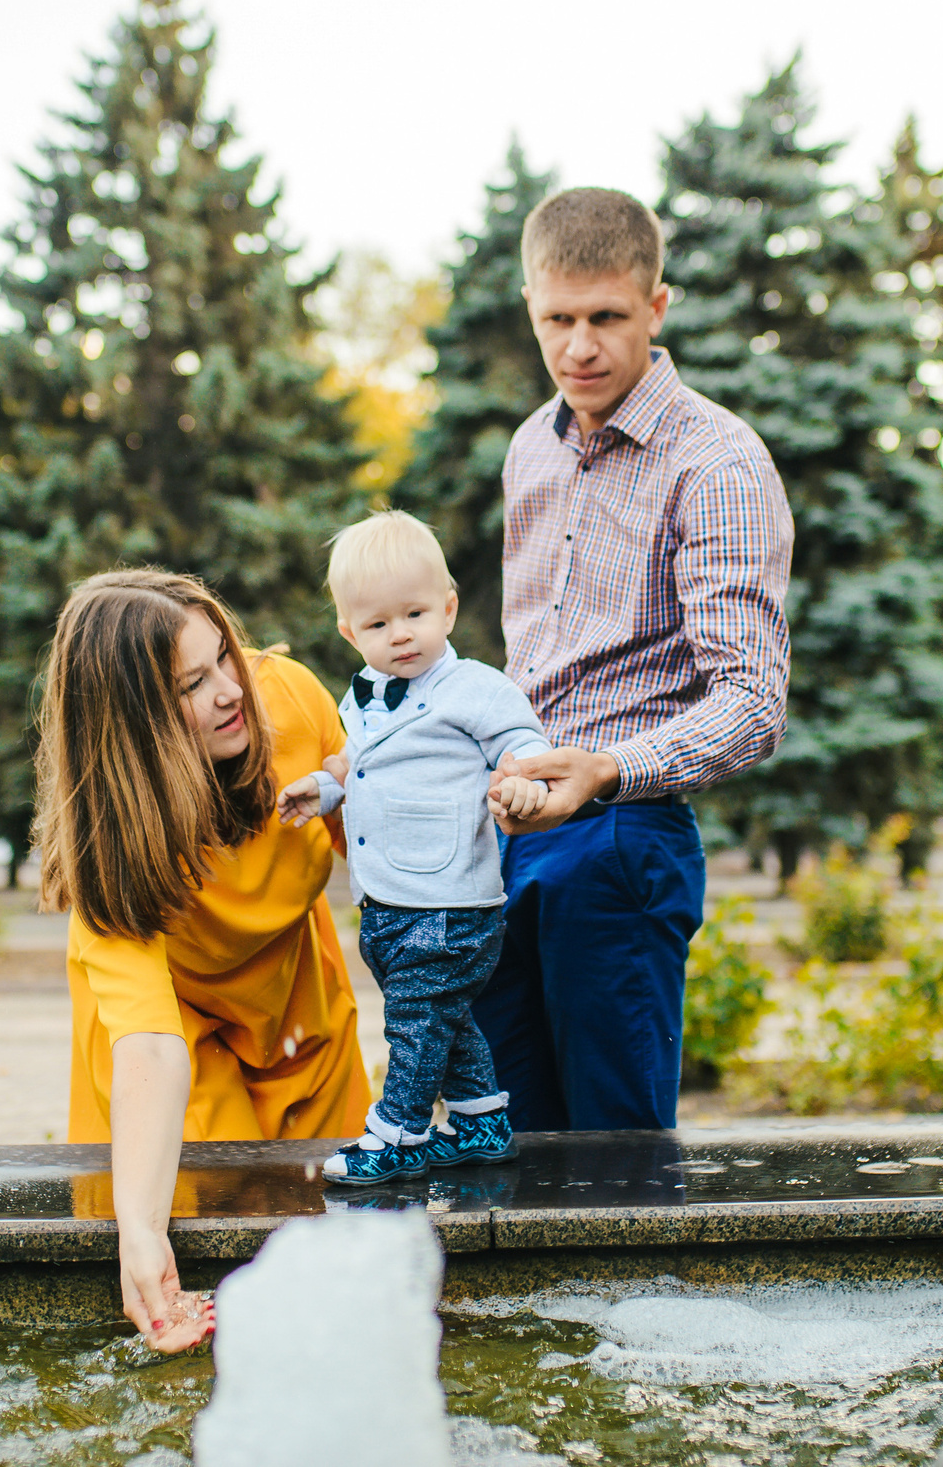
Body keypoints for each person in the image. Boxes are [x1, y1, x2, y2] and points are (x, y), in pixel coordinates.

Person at [479, 186, 794, 1132]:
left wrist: (614, 768)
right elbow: (527, 654)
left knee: (616, 1170)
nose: (580, 347)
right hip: (504, 839)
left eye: (607, 318)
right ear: (530, 305)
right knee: (501, 1145)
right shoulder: (530, 448)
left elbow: (753, 698)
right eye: (557, 319)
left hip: (621, 839)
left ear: (655, 308)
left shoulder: (717, 461)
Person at [39, 569, 372, 1353]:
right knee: (209, 1254)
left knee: (348, 1251)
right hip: (176, 1050)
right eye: (194, 682)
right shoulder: (110, 855)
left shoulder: (286, 695)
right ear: (133, 725)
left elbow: (382, 848)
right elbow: (149, 1042)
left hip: (300, 1017)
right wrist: (141, 1232)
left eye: (226, 656)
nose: (232, 690)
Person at [275, 511, 552, 1185]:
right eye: (377, 624)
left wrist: (524, 784)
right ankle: (482, 1119)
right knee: (445, 1019)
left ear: (448, 607)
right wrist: (324, 788)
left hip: (450, 902)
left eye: (415, 613)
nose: (399, 634)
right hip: (389, 900)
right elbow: (357, 765)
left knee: (416, 1022)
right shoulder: (362, 697)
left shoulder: (476, 688)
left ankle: (397, 1130)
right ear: (349, 631)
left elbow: (528, 746)